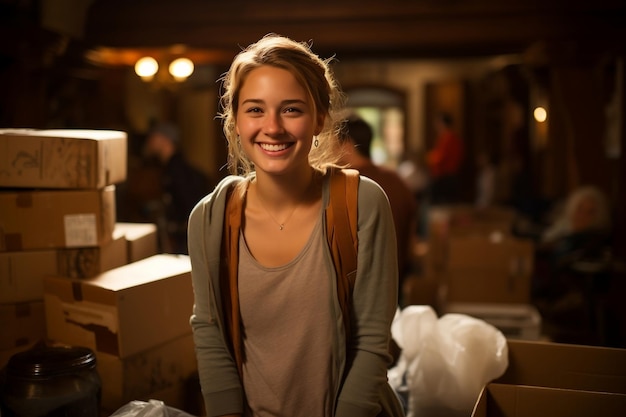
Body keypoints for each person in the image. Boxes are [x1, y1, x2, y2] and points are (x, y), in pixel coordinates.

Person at [187, 34, 404, 417]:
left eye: (291, 109)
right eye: (255, 110)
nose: (272, 127)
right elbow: (210, 336)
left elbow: (372, 344)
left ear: (320, 117)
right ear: (235, 119)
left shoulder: (362, 203)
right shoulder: (210, 218)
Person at [338, 114, 418, 303]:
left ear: (347, 145)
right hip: (395, 284)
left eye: (332, 143)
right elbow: (412, 238)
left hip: (356, 293)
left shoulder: (344, 185)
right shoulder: (397, 180)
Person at [143, 122, 212, 254]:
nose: (150, 141)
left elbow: (190, 203)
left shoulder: (178, 171)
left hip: (186, 238)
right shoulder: (169, 168)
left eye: (154, 136)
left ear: (165, 140)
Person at [426, 112, 464, 205]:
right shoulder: (453, 137)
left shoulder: (448, 138)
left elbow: (440, 158)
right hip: (450, 175)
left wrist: (428, 158)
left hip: (444, 176)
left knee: (441, 206)